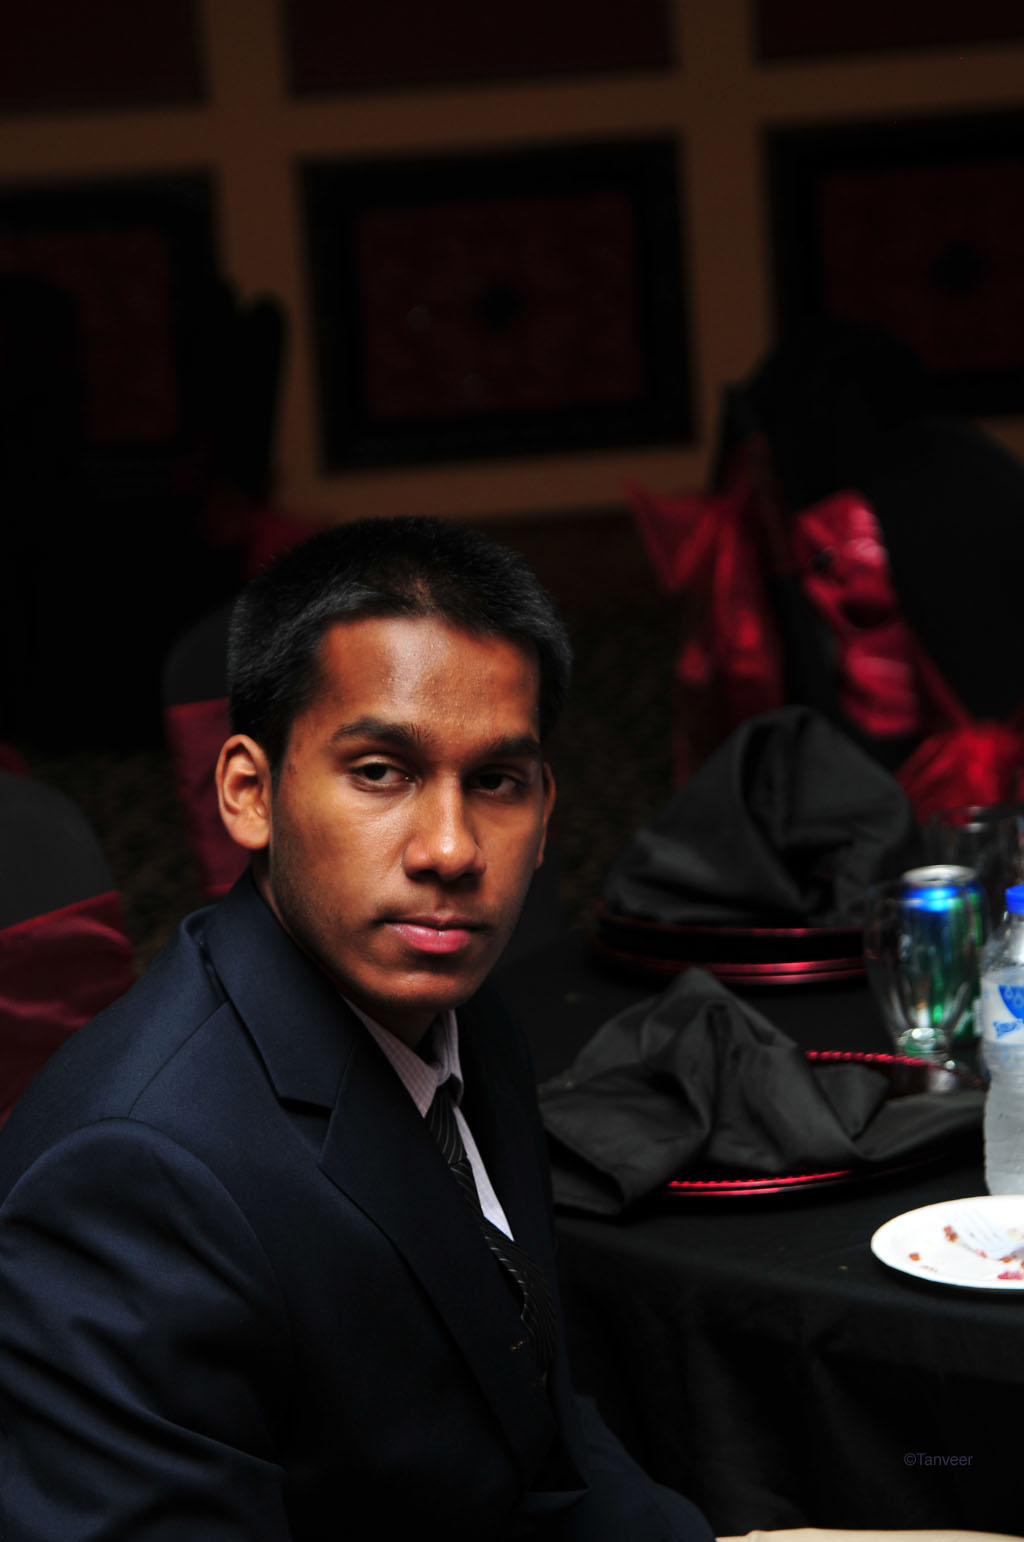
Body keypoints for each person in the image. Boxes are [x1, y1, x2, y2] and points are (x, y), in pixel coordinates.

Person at [0, 516, 713, 1539]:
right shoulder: (133, 1177)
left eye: (497, 782)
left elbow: (535, 1426)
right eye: (381, 771)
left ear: (547, 811)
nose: (451, 849)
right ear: (249, 792)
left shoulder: (462, 1013)